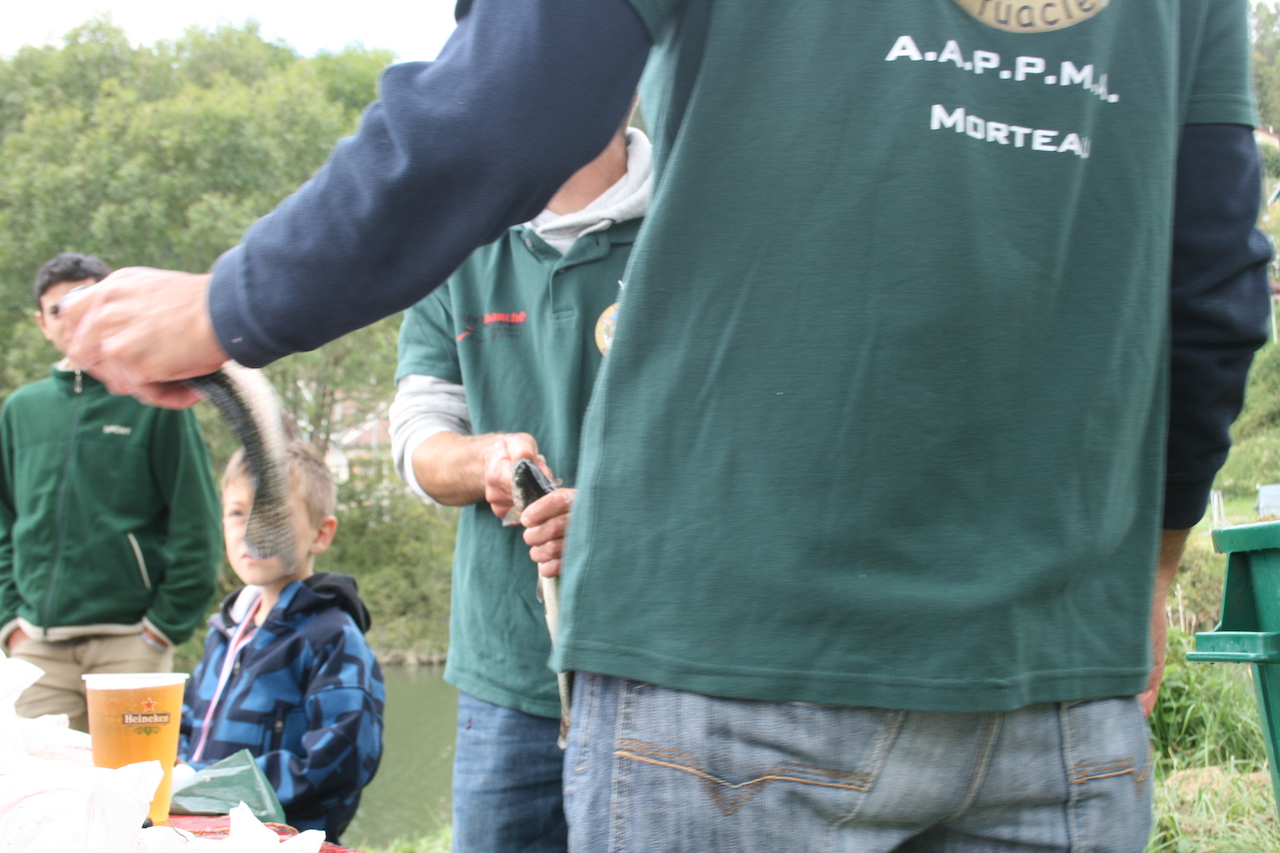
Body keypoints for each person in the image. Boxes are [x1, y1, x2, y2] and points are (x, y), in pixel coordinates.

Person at [58, 1, 1273, 849]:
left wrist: (225, 306)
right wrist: (1149, 570)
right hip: (1057, 689)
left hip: (732, 671)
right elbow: (1215, 282)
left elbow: (502, 101)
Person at [389, 117, 649, 853]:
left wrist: (610, 518)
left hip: (664, 676)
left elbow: (738, 436)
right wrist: (486, 462)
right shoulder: (455, 236)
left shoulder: (693, 218)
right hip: (504, 679)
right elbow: (418, 436)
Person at [0, 252, 221, 732]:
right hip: (36, 649)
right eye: (58, 309)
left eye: (86, 302)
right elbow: (4, 522)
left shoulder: (155, 401)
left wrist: (162, 629)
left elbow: (197, 521)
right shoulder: (20, 410)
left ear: (110, 307)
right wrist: (10, 623)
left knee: (136, 780)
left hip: (131, 645)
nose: (72, 318)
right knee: (35, 779)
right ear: (42, 323)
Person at [178, 440, 384, 843]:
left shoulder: (331, 637)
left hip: (283, 841)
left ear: (320, 534)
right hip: (199, 834)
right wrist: (176, 769)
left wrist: (204, 784)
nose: (252, 530)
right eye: (238, 513)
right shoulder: (225, 631)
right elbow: (187, 721)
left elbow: (339, 762)